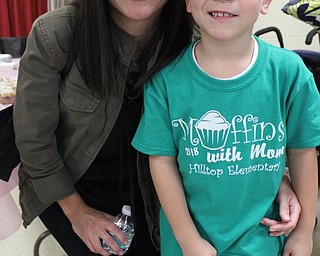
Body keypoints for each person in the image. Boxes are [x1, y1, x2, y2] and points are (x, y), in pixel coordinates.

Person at [13, 0, 300, 255]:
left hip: (156, 187)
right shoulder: (57, 34)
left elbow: (243, 125)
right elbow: (34, 142)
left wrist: (275, 177)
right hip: (71, 185)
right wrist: (76, 212)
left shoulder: (198, 32)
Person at [132, 0, 320, 255]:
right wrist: (189, 241)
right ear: (187, 2)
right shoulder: (165, 81)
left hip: (263, 241)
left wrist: (303, 233)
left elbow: (302, 152)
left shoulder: (290, 73)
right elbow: (161, 161)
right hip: (189, 245)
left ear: (265, 3)